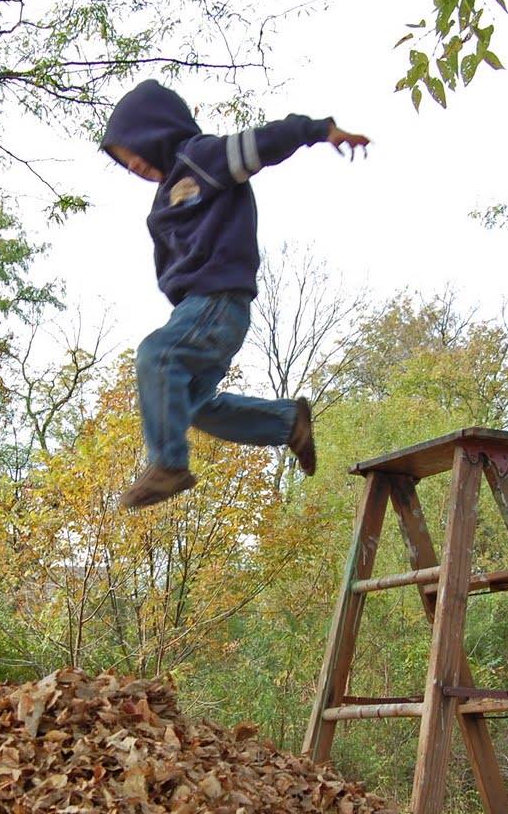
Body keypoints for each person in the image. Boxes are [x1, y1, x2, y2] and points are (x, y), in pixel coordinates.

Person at [100, 80, 370, 509]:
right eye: (125, 164)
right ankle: (287, 423)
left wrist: (320, 130)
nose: (133, 165)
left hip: (217, 299)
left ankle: (168, 465)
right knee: (193, 406)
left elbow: (261, 143)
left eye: (134, 153)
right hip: (200, 309)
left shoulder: (201, 158)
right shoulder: (168, 191)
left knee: (156, 355)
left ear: (155, 134)